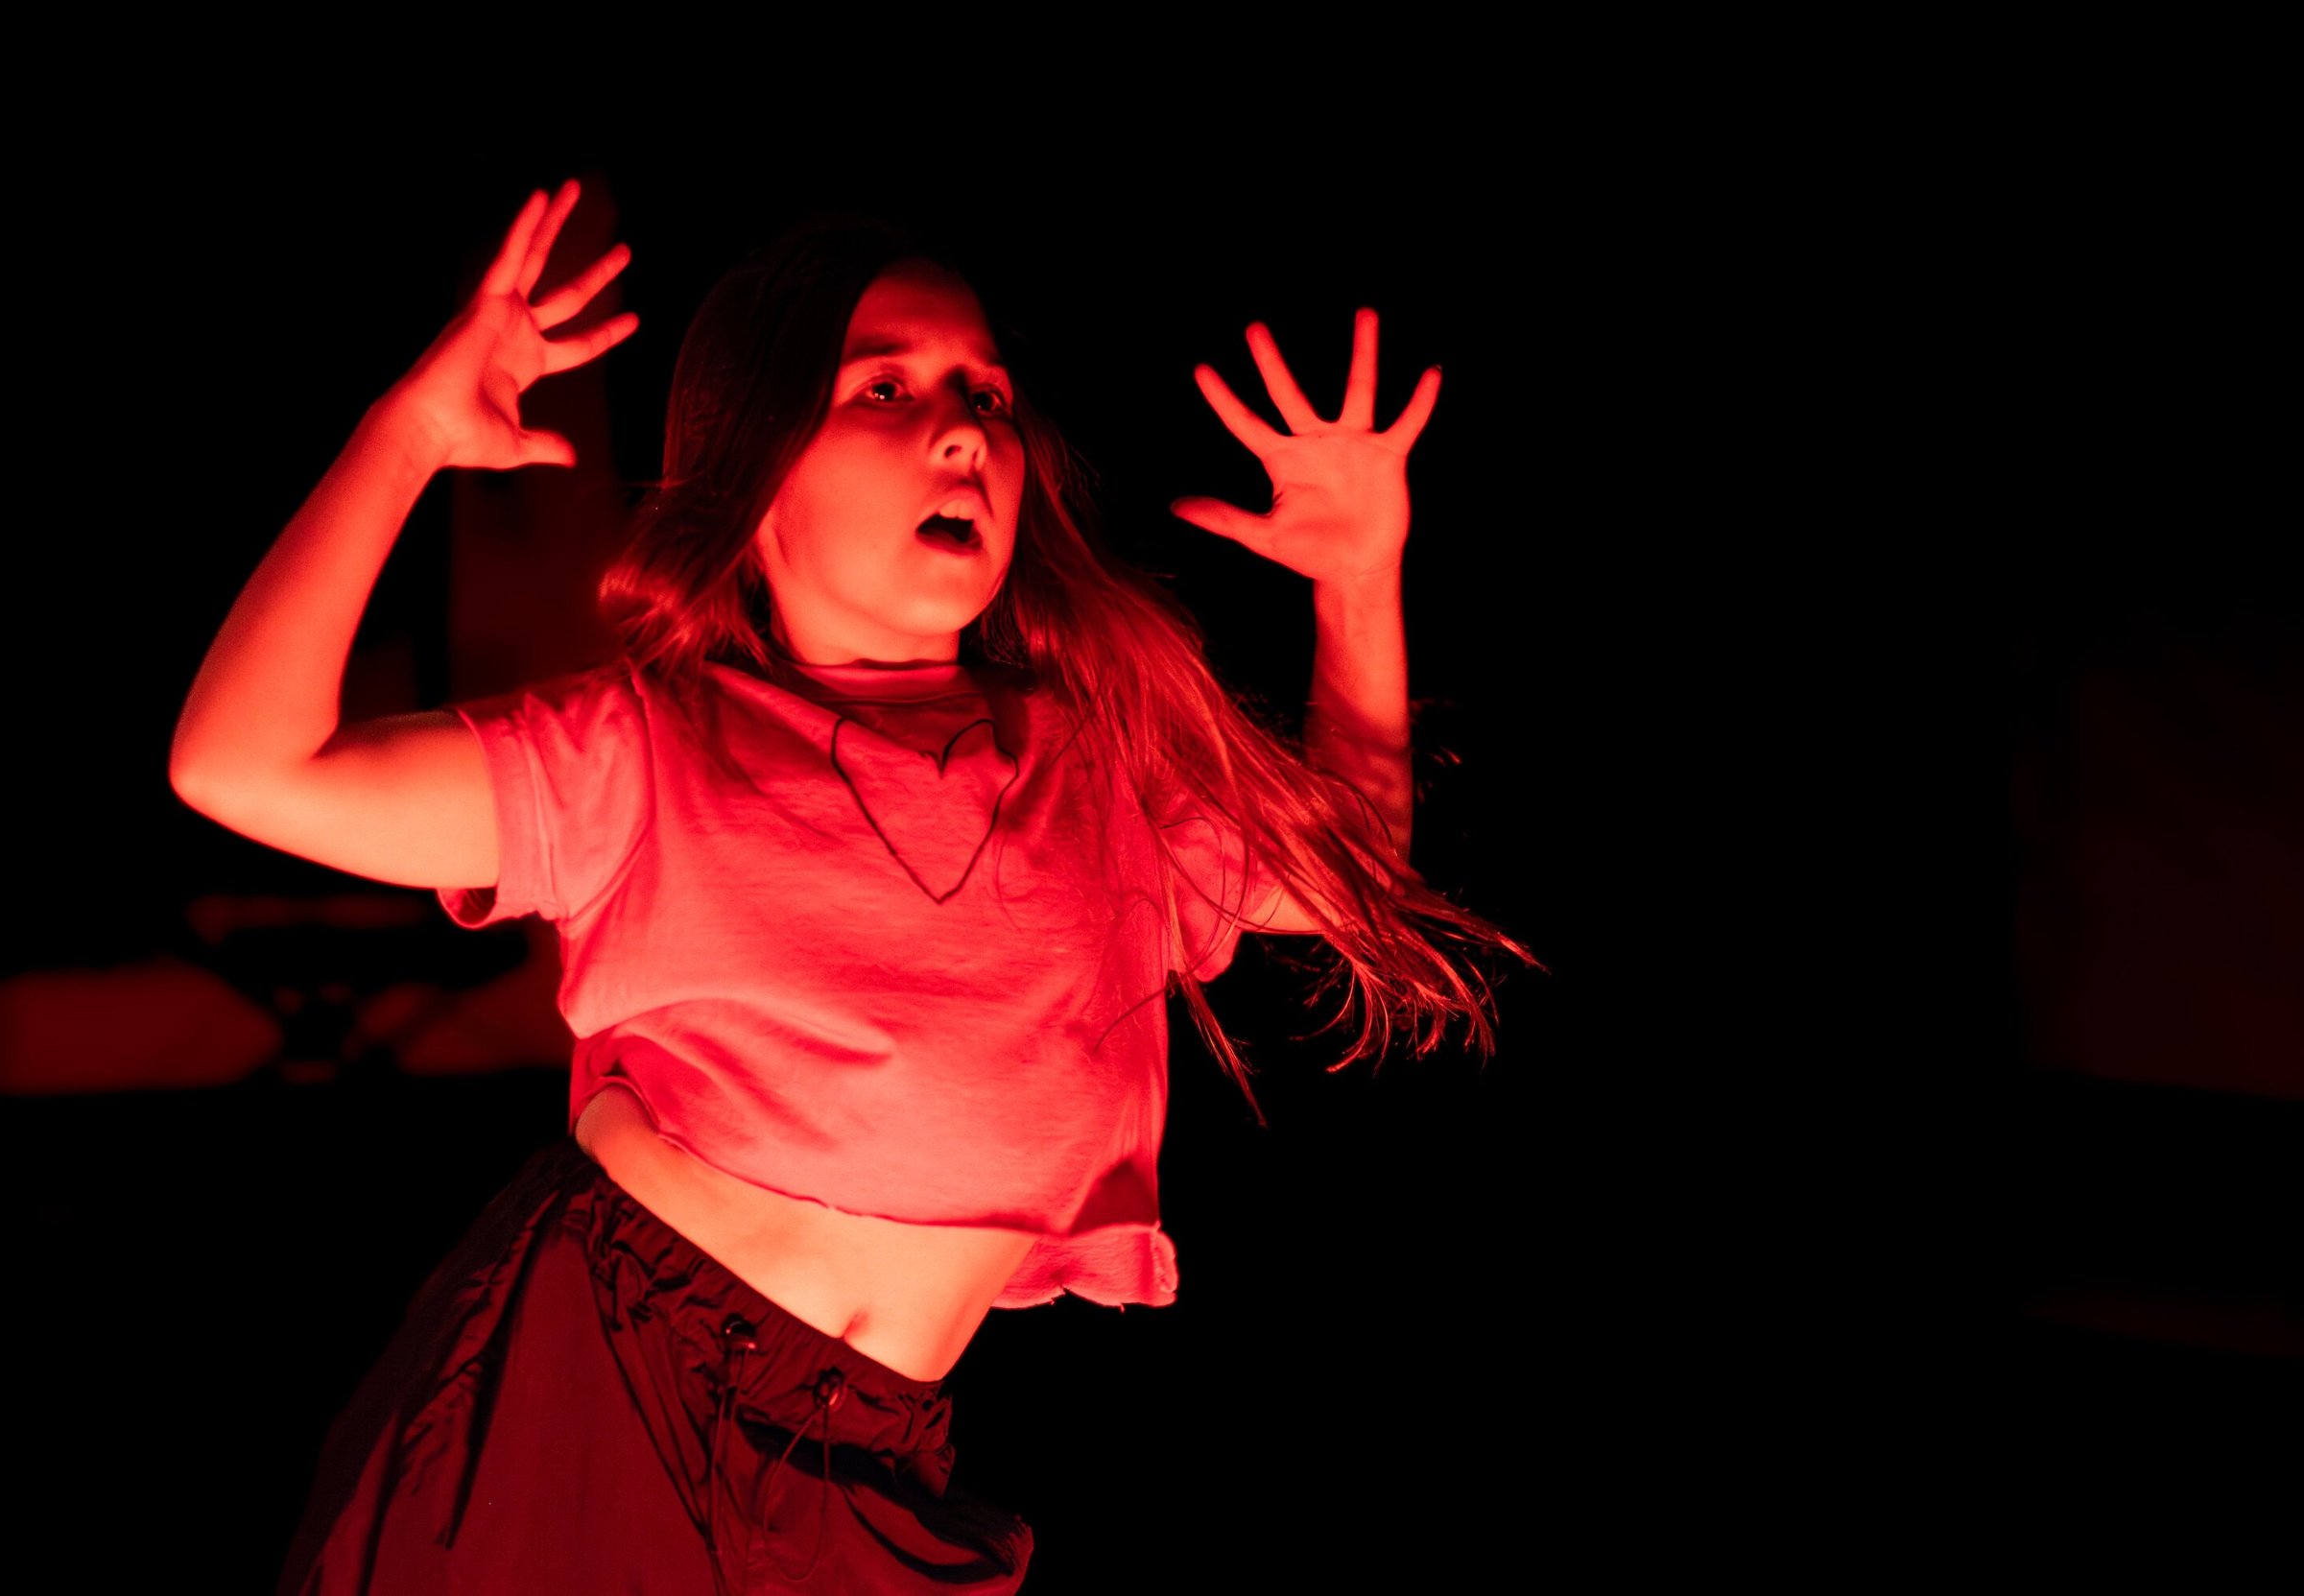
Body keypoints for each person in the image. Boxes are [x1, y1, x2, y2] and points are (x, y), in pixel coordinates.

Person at [171, 180, 1532, 1594]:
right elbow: (243, 766)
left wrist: (1359, 578)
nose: (963, 432)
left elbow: (1355, 876)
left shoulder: (1101, 771)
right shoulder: (646, 752)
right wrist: (408, 438)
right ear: (754, 475)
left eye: (988, 399)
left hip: (872, 1462)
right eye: (882, 385)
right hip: (597, 1383)